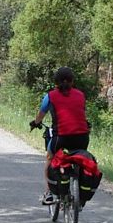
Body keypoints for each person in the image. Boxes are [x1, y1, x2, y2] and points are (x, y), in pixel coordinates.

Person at [30, 66, 89, 205]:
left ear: (55, 82)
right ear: (72, 81)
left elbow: (40, 115)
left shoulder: (50, 96)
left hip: (61, 138)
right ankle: (79, 191)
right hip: (82, 138)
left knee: (50, 158)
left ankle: (49, 193)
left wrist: (35, 123)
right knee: (79, 158)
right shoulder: (81, 95)